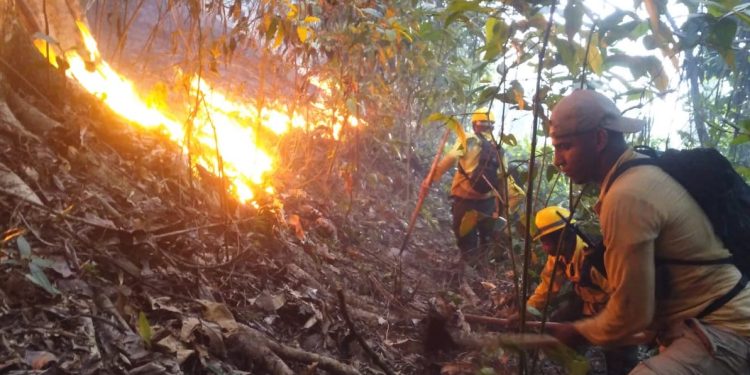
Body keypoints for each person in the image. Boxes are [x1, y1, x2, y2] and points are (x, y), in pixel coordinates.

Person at [545, 89, 750, 374]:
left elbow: (631, 315)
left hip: (725, 329)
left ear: (600, 139)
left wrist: (579, 332)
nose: (558, 159)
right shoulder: (637, 173)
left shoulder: (627, 195)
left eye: (565, 146)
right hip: (702, 326)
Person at [524, 205, 637, 375]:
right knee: (554, 328)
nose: (544, 247)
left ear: (563, 237)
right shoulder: (558, 256)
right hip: (586, 302)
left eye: (546, 242)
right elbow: (548, 287)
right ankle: (579, 365)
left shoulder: (595, 259)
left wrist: (595, 327)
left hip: (616, 309)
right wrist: (528, 310)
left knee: (618, 358)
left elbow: (624, 299)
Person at [428, 108, 524, 262]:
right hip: (487, 203)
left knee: (465, 239)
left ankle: (467, 269)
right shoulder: (499, 149)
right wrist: (502, 213)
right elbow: (504, 180)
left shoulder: (468, 139)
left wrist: (432, 177)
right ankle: (480, 268)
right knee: (484, 240)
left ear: (474, 125)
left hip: (464, 201)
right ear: (492, 127)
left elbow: (452, 156)